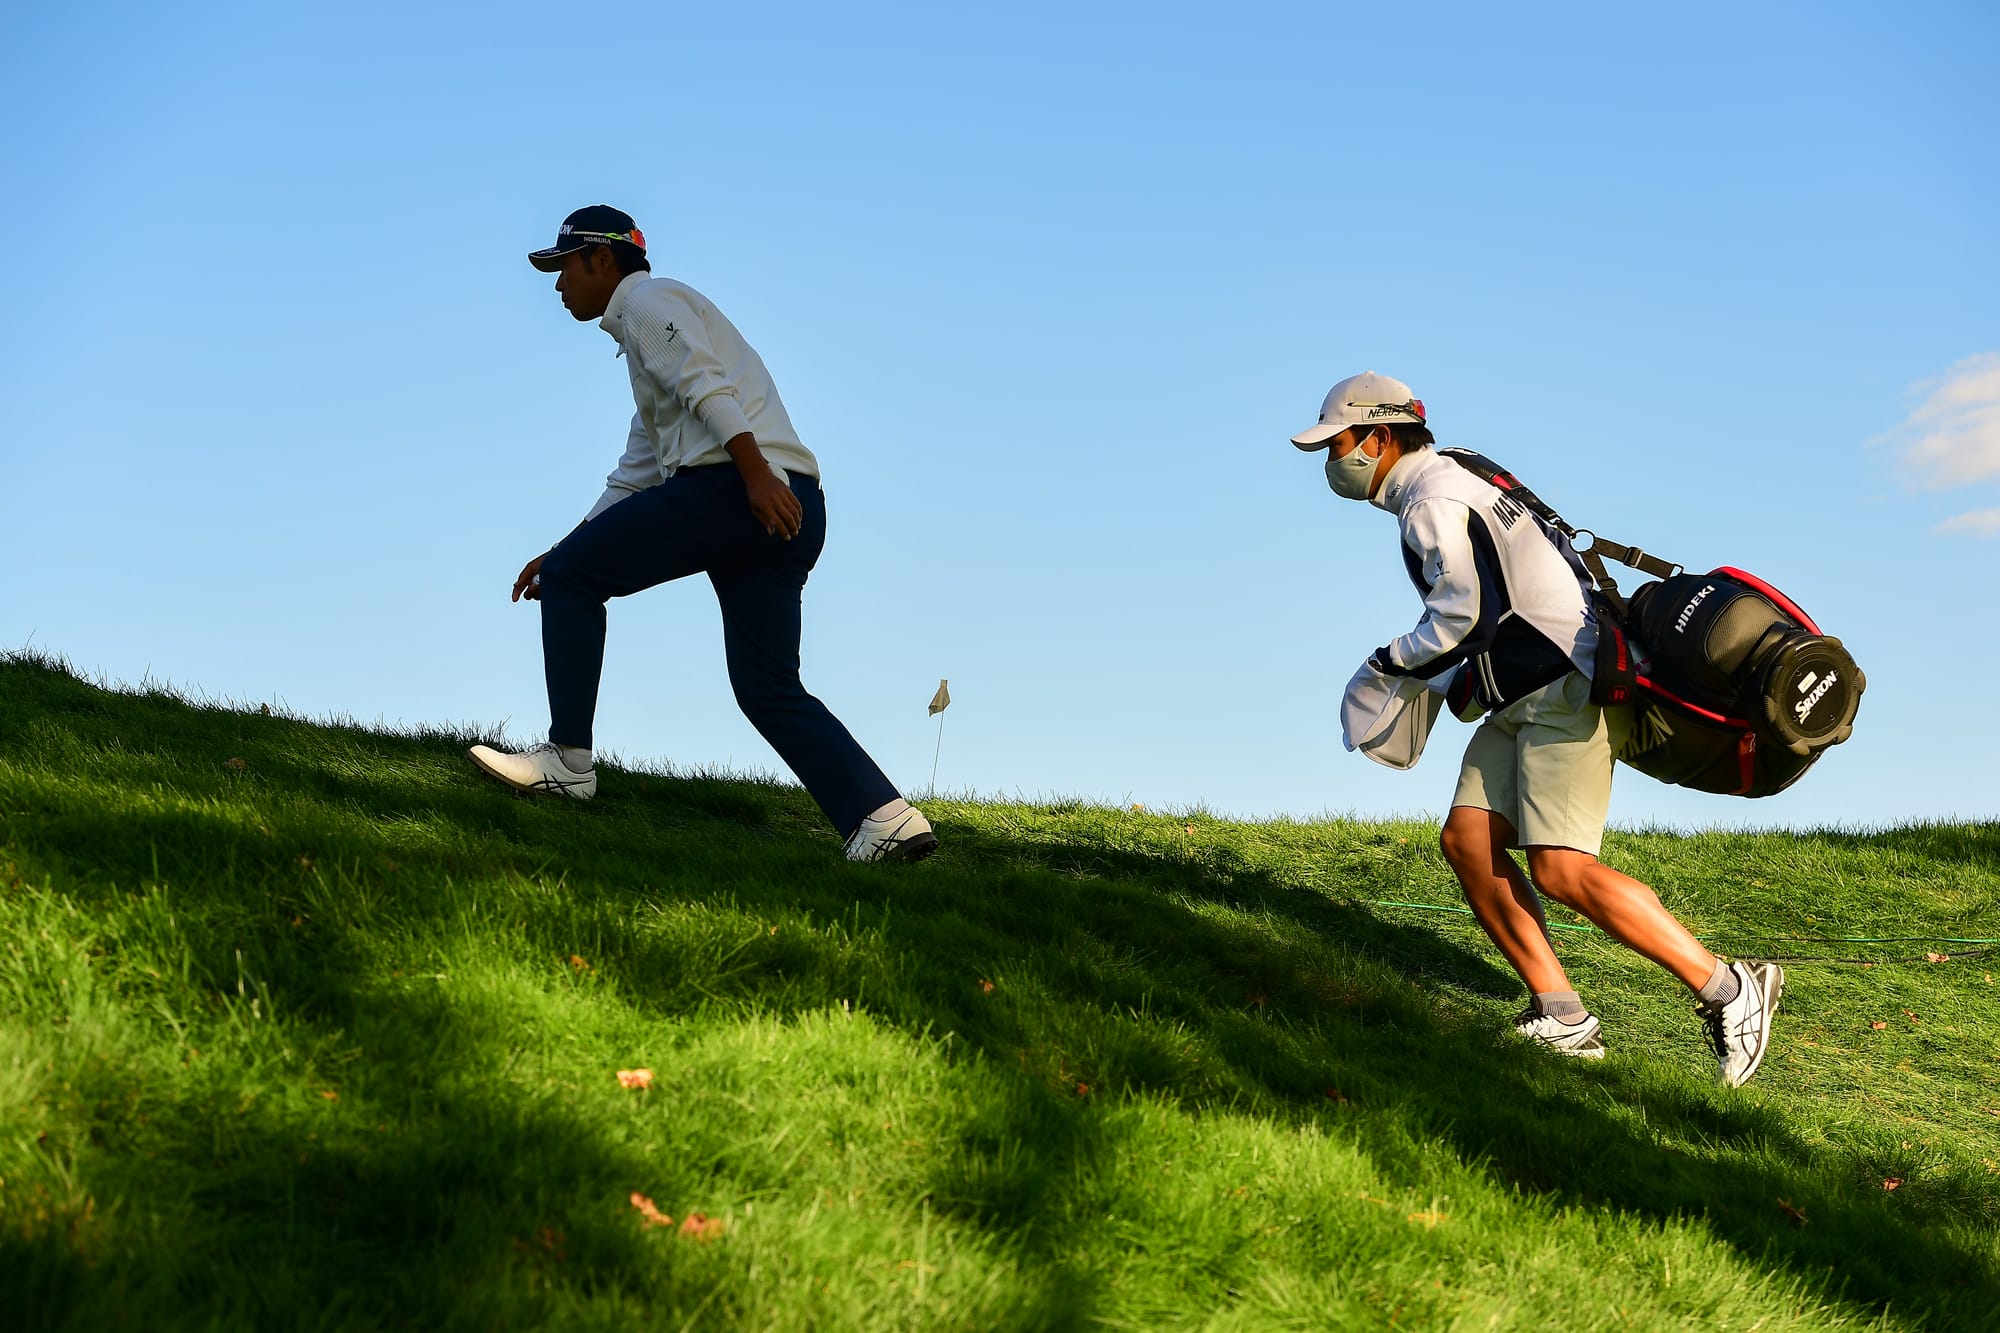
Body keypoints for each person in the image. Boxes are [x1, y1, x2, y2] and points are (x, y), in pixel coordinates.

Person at [1291, 371, 1782, 1086]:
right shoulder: (1457, 468)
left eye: (1338, 444)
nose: (1335, 461)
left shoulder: (1429, 500)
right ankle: (1563, 1015)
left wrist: (1389, 661)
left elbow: (1462, 616)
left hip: (1564, 686)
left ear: (1380, 435)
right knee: (1468, 839)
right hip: (1532, 686)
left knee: (1561, 868)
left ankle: (1730, 989)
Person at [468, 205, 936, 864]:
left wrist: (752, 474)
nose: (557, 283)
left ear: (601, 261)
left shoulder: (648, 302)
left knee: (577, 579)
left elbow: (704, 385)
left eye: (563, 266)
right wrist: (567, 546)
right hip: (790, 506)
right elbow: (634, 476)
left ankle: (568, 761)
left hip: (741, 490)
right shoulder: (649, 352)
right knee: (767, 686)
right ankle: (882, 817)